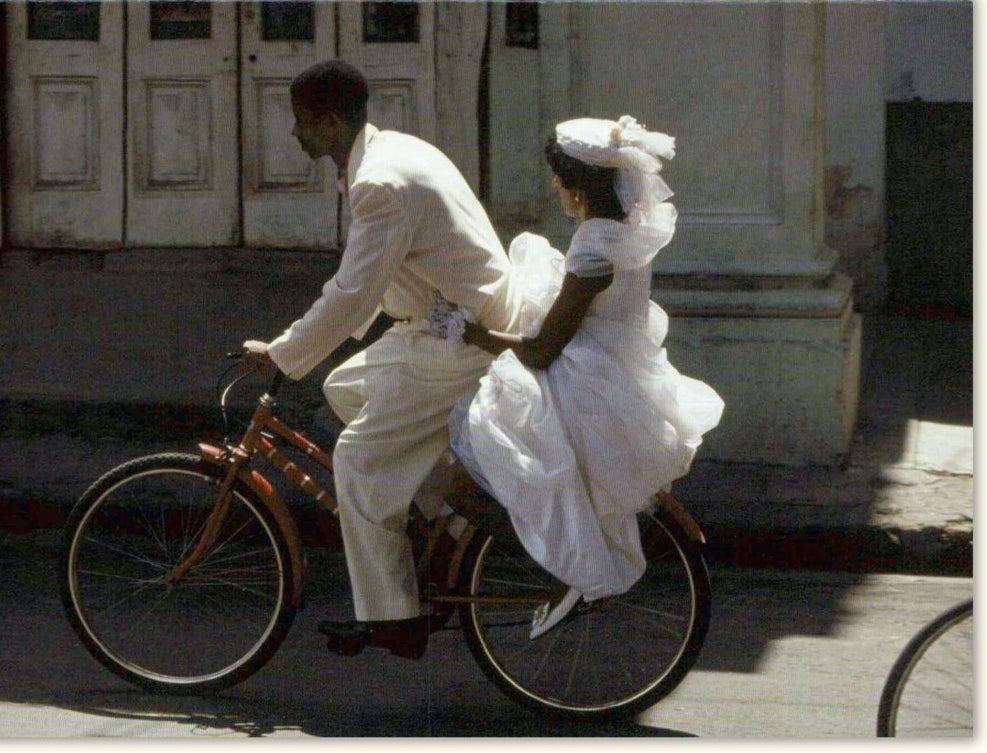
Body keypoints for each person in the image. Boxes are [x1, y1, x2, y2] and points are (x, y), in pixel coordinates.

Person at [242, 59, 520, 659]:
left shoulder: (381, 183)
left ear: (332, 121)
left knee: (360, 461)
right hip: (443, 318)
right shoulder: (389, 154)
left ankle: (396, 617)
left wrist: (282, 353)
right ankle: (438, 509)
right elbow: (371, 283)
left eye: (302, 121)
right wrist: (315, 353)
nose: (294, 134)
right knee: (344, 387)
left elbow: (352, 294)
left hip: (459, 338)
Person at [438, 115, 725, 638]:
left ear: (578, 187)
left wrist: (470, 333)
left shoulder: (594, 247)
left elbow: (545, 349)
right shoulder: (626, 231)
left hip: (580, 387)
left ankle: (567, 568)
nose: (554, 186)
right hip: (612, 375)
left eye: (559, 178)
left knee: (459, 484)